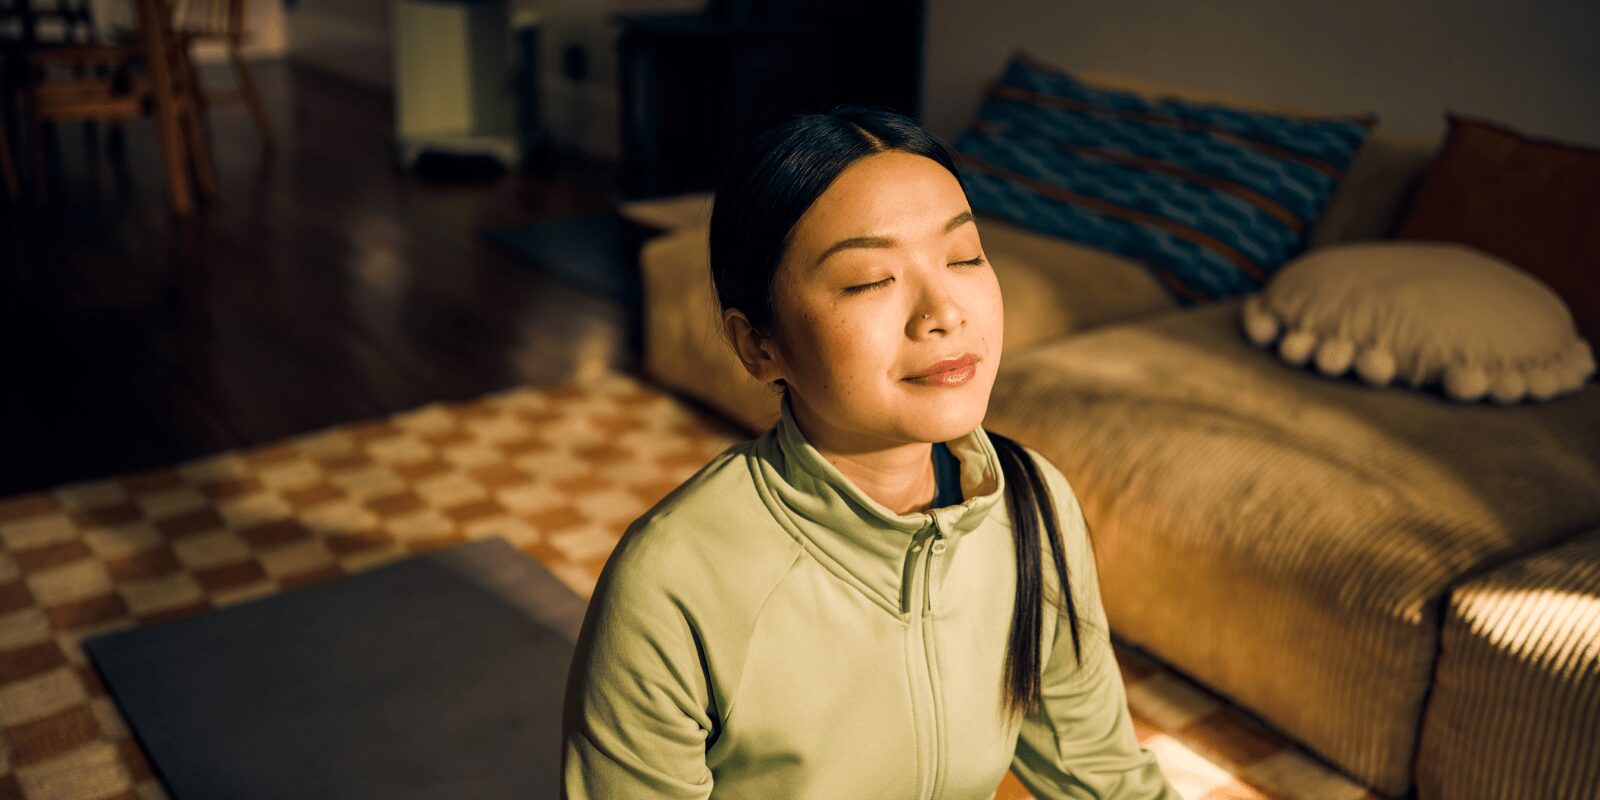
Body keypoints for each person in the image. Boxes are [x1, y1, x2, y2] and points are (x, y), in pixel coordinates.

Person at [561, 106, 1178, 799]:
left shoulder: (1033, 507)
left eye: (965, 257)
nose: (943, 312)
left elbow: (1105, 776)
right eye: (868, 280)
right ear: (759, 347)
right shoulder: (671, 584)